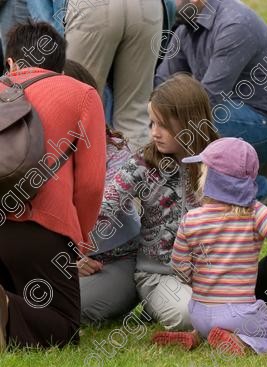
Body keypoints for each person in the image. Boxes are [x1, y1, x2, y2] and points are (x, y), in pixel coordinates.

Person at [151, 138, 267, 354]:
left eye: (203, 173)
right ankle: (242, 342)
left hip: (199, 312)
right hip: (238, 315)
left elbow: (179, 266)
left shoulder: (191, 219)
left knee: (209, 317)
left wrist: (199, 282)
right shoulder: (254, 212)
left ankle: (196, 334)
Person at [86, 74, 220, 331]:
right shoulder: (142, 164)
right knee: (187, 317)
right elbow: (103, 207)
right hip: (159, 274)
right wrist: (73, 251)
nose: (154, 133)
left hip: (214, 271)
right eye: (151, 123)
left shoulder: (218, 160)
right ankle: (157, 304)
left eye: (164, 125)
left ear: (190, 122)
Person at [0, 21, 105, 350]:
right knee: (65, 328)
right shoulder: (82, 95)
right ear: (60, 66)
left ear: (11, 64)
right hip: (43, 231)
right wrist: (81, 241)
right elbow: (90, 185)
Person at [155, 0, 267, 204]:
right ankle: (247, 182)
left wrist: (165, 122)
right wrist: (156, 116)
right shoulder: (186, 28)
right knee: (175, 122)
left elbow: (208, 97)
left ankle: (256, 190)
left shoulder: (235, 25)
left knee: (189, 125)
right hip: (231, 112)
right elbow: (161, 84)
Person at [62, 59, 141, 325]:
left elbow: (101, 208)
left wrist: (72, 252)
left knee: (69, 307)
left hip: (118, 262)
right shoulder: (36, 150)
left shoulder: (117, 152)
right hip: (60, 262)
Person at [64, 0, 170, 149]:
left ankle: (84, 170)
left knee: (76, 110)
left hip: (94, 8)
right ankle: (135, 170)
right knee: (135, 115)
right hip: (148, 6)